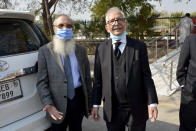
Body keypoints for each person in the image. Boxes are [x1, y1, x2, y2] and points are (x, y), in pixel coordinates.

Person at [91, 7, 158, 131]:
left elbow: (146, 77)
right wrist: (95, 104)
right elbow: (98, 81)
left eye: (119, 19)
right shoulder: (101, 49)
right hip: (112, 109)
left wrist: (152, 102)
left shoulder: (139, 47)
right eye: (112, 21)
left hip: (136, 107)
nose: (116, 23)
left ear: (126, 24)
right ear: (107, 27)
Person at [36, 14, 92, 131]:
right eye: (61, 25)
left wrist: (90, 102)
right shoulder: (45, 51)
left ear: (72, 29)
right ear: (54, 28)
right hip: (56, 104)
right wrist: (49, 104)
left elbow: (86, 78)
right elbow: (42, 82)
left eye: (69, 26)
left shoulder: (81, 51)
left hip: (78, 99)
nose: (65, 29)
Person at [176, 34, 196, 131]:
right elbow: (181, 66)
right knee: (187, 127)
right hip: (190, 94)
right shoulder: (191, 40)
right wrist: (185, 86)